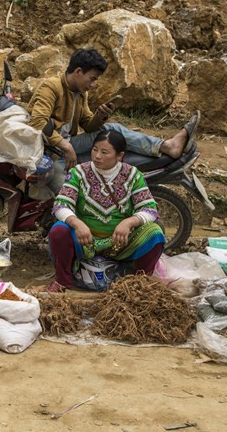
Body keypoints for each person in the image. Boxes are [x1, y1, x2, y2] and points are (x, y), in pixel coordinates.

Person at [27, 48, 200, 193]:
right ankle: (166, 146)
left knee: (110, 131)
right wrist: (65, 146)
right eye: (92, 78)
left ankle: (163, 147)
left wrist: (100, 116)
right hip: (49, 148)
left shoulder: (80, 93)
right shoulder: (51, 87)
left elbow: (88, 125)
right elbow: (38, 123)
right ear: (78, 72)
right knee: (113, 130)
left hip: (68, 143)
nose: (93, 84)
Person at [47, 130, 165, 292]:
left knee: (155, 233)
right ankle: (63, 281)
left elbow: (149, 209)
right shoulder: (79, 173)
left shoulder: (132, 175)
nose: (97, 156)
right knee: (59, 230)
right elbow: (61, 205)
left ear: (119, 155)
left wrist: (129, 222)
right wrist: (77, 223)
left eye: (104, 152)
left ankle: (140, 285)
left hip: (121, 241)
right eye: (95, 150)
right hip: (85, 240)